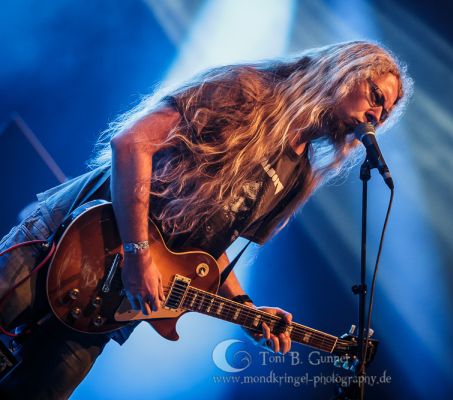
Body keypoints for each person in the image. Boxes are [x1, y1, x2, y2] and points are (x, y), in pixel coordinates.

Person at [0, 40, 410, 398]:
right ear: (344, 69)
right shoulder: (246, 91)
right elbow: (132, 143)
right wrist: (138, 253)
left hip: (109, 304)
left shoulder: (299, 176)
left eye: (386, 113)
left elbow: (211, 249)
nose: (376, 115)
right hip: (69, 236)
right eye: (376, 96)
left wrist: (248, 309)